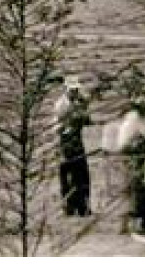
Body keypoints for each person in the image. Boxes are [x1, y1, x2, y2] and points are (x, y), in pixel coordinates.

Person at [108, 104, 145, 236]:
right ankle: (125, 225)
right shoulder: (130, 123)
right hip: (132, 162)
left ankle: (144, 223)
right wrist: (137, 144)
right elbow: (123, 146)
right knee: (131, 193)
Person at [54, 78, 92, 217]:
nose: (75, 92)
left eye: (76, 89)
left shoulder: (78, 102)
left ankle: (83, 206)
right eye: (72, 90)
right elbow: (66, 123)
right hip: (66, 141)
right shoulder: (61, 105)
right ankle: (70, 206)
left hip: (77, 140)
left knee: (82, 174)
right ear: (66, 89)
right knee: (68, 176)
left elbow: (86, 120)